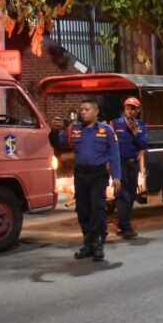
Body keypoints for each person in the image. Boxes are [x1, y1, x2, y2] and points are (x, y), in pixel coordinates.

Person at [49, 99, 121, 262]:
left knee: (98, 208)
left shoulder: (106, 130)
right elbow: (56, 142)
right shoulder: (74, 130)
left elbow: (114, 155)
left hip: (98, 175)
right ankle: (88, 243)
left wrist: (117, 177)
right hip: (81, 175)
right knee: (83, 209)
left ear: (96, 112)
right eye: (81, 109)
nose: (83, 112)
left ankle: (98, 244)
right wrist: (55, 128)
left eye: (87, 109)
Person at [111, 97, 148, 239]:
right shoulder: (115, 124)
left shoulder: (141, 126)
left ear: (138, 110)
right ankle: (124, 226)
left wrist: (135, 132)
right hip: (120, 163)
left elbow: (144, 144)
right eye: (128, 108)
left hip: (133, 164)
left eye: (133, 108)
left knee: (131, 195)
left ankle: (124, 223)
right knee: (122, 194)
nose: (130, 111)